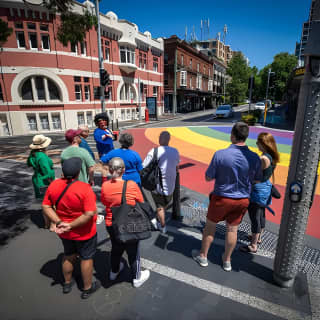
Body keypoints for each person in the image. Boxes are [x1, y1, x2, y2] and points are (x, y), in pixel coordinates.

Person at [191, 122, 262, 272]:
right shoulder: (255, 157)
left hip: (221, 198)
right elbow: (257, 179)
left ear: (232, 135)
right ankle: (227, 260)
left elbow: (208, 178)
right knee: (232, 230)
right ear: (246, 136)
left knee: (210, 227)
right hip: (242, 200)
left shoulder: (220, 154)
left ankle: (203, 256)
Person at [42, 157, 100, 299]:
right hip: (84, 232)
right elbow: (89, 213)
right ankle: (87, 288)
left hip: (63, 232)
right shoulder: (84, 188)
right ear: (78, 172)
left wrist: (59, 221)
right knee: (86, 258)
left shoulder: (54, 185)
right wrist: (71, 225)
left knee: (68, 255)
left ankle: (67, 283)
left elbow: (45, 206)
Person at [101, 157, 150, 288]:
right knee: (133, 252)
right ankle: (137, 277)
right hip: (129, 222)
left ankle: (114, 271)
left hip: (112, 223)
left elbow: (105, 203)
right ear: (123, 170)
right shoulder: (132, 185)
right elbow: (140, 201)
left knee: (116, 249)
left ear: (110, 170)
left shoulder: (105, 186)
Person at [240, 132, 280, 253]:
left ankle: (253, 245)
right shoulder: (271, 156)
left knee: (255, 217)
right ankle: (258, 238)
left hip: (257, 190)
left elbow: (254, 175)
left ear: (264, 144)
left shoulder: (263, 158)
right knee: (261, 214)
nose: (257, 144)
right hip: (265, 189)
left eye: (258, 142)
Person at [142, 131, 180, 233]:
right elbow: (177, 167)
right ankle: (161, 217)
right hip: (171, 184)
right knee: (165, 203)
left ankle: (162, 225)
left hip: (157, 185)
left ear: (160, 139)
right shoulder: (175, 151)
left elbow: (143, 166)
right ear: (169, 139)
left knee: (159, 207)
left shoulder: (154, 151)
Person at [27, 134, 55, 199]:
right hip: (44, 181)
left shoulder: (33, 153)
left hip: (37, 179)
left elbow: (29, 163)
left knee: (42, 199)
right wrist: (51, 182)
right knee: (48, 200)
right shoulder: (42, 156)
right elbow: (47, 171)